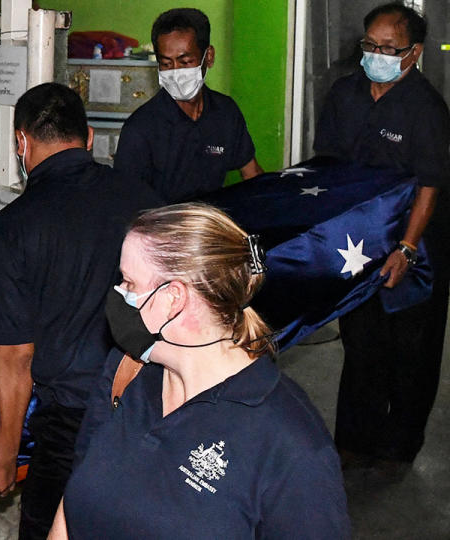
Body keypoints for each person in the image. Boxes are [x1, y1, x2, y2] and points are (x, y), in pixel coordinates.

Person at [49, 203, 350, 538]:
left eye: (129, 283)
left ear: (172, 299)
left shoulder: (293, 445)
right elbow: (75, 498)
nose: (118, 294)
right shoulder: (125, 374)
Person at [0, 82, 162, 539]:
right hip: (149, 405)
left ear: (20, 141)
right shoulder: (149, 203)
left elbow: (16, 355)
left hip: (72, 426)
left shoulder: (11, 230)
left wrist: (3, 455)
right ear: (90, 139)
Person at [313, 3, 450, 468]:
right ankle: (354, 440)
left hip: (419, 243)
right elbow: (327, 169)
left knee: (412, 351)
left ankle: (400, 445)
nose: (376, 54)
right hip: (359, 245)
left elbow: (430, 185)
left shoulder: (426, 108)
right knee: (361, 343)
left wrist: (407, 249)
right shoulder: (344, 94)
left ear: (412, 53)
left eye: (388, 48)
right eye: (370, 45)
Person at [112, 8, 263, 203]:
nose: (175, 72)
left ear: (208, 57)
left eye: (185, 62)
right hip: (161, 228)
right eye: (166, 64)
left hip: (209, 224)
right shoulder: (140, 129)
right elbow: (124, 202)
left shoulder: (225, 112)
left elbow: (252, 174)